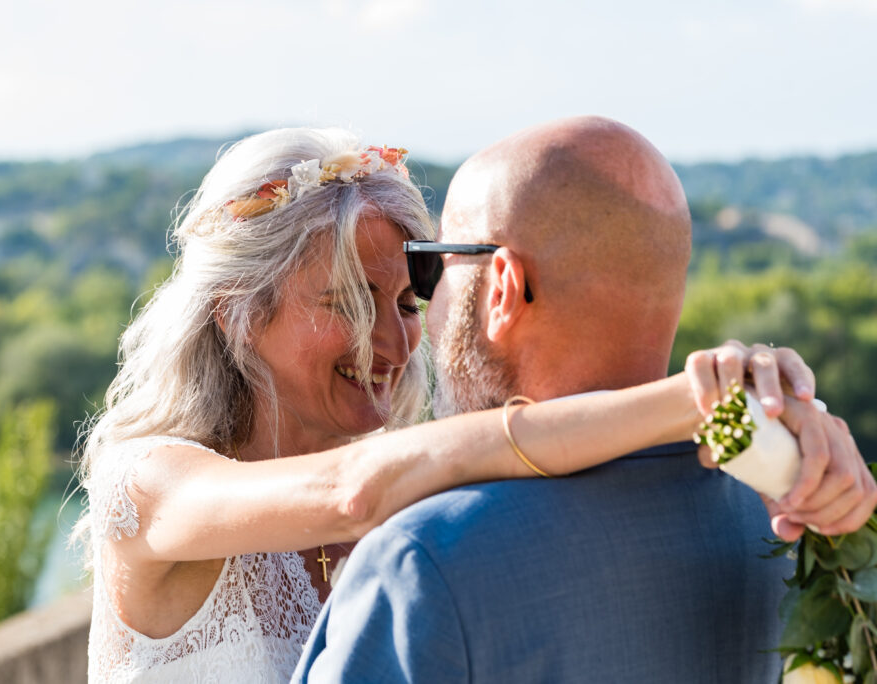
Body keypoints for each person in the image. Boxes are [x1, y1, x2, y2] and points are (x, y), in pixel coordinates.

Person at [74, 127, 864, 683]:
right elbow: (350, 492)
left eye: (410, 298)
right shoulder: (146, 484)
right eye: (348, 299)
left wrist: (787, 430)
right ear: (238, 312)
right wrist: (698, 397)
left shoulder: (428, 492)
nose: (389, 340)